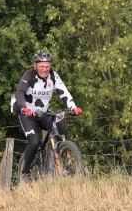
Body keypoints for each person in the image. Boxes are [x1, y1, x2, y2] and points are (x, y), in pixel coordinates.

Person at [13, 51, 82, 183]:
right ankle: (25, 174)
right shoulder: (29, 75)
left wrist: (73, 108)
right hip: (28, 114)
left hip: (44, 113)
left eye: (47, 66)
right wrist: (24, 108)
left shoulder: (53, 76)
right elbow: (19, 93)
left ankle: (61, 155)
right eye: (42, 66)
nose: (45, 69)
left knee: (61, 127)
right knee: (34, 141)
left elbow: (64, 93)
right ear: (36, 66)